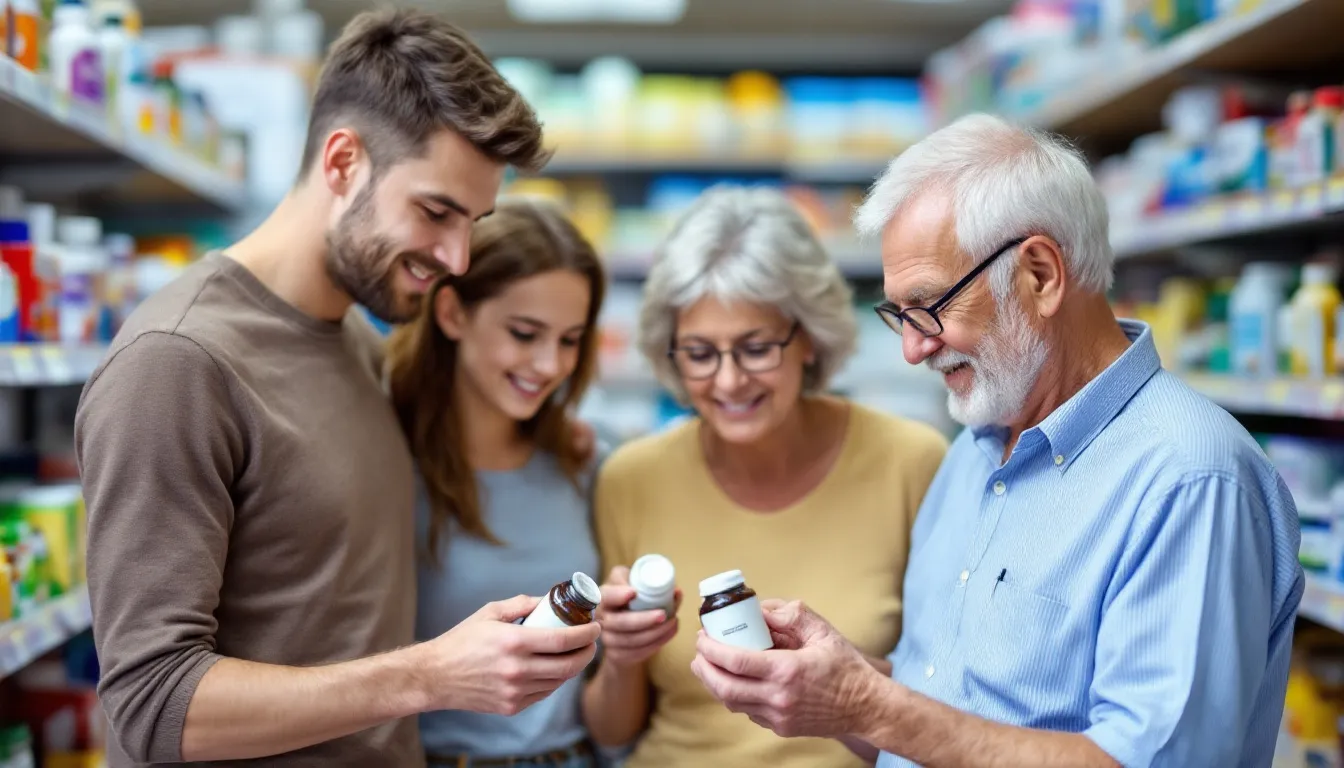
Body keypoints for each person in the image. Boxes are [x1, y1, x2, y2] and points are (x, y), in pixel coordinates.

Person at [689, 114, 1304, 768]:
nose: (911, 348)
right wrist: (839, 682)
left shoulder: (1190, 481)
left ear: (1039, 274)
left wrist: (866, 703)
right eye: (898, 314)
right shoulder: (976, 449)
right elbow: (953, 705)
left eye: (930, 307)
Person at [73, 11, 600, 767]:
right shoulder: (178, 364)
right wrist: (430, 675)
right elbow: (153, 704)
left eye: (474, 223)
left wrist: (546, 430)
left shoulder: (353, 338)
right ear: (344, 161)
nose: (456, 258)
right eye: (435, 212)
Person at [583, 185, 949, 767]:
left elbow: (949, 701)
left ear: (808, 336)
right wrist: (625, 657)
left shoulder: (911, 463)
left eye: (755, 348)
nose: (728, 382)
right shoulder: (631, 478)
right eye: (700, 353)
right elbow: (610, 731)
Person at [385, 198, 607, 768]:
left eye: (569, 339)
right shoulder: (383, 463)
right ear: (453, 313)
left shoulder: (583, 462)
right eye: (525, 332)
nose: (548, 365)